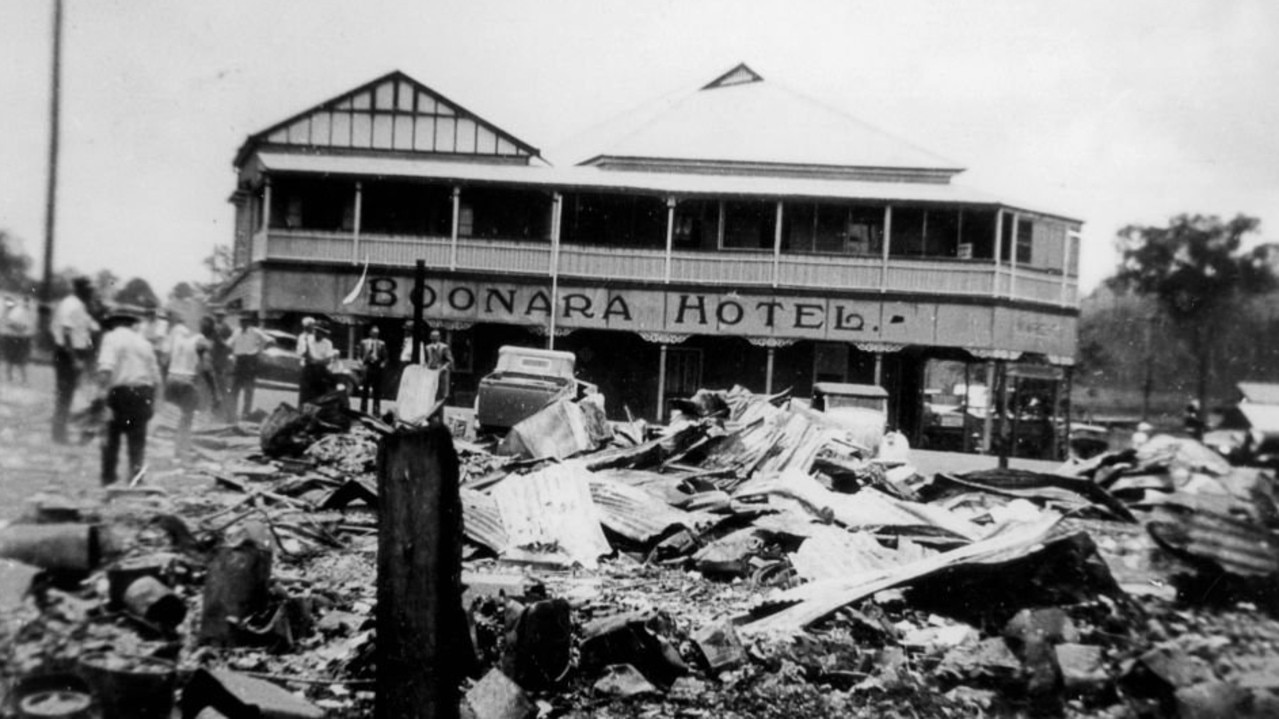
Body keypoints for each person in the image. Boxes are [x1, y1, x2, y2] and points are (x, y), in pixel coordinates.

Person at [95, 305, 161, 485]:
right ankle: (136, 480)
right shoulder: (144, 342)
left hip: (120, 393)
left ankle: (108, 479)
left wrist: (101, 397)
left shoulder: (111, 338)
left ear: (114, 323)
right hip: (143, 392)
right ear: (131, 324)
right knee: (137, 440)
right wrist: (154, 402)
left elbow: (105, 369)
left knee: (110, 438)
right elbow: (156, 377)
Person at [51, 277, 99, 443]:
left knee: (68, 394)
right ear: (80, 289)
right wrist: (75, 359)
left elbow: (92, 327)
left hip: (75, 352)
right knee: (64, 395)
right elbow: (66, 334)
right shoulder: (71, 304)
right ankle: (58, 434)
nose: (91, 293)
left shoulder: (79, 305)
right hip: (68, 353)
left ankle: (60, 430)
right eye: (89, 290)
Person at [164, 318, 209, 461]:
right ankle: (180, 451)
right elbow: (206, 367)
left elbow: (165, 359)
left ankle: (179, 448)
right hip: (187, 380)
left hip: (172, 378)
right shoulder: (200, 339)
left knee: (176, 416)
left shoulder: (176, 335)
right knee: (186, 417)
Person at [228, 312, 271, 418]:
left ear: (249, 322)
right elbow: (229, 343)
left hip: (250, 361)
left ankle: (245, 412)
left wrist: (259, 351)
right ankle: (231, 412)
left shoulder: (255, 331)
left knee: (248, 389)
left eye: (245, 321)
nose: (242, 323)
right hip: (239, 361)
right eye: (241, 321)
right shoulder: (236, 331)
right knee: (235, 389)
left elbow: (270, 340)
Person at [298, 321, 335, 406]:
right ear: (315, 331)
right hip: (308, 370)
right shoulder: (306, 339)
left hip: (320, 371)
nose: (320, 334)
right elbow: (304, 355)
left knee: (319, 398)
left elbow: (328, 360)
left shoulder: (328, 343)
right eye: (318, 331)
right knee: (305, 399)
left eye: (323, 333)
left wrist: (315, 361)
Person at [209, 309, 235, 421]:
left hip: (221, 359)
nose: (219, 317)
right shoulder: (212, 327)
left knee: (221, 385)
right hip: (211, 357)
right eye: (217, 315)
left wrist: (226, 346)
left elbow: (230, 341)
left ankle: (222, 411)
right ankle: (211, 409)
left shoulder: (226, 328)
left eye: (221, 316)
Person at [3, 297, 34, 384]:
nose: (27, 304)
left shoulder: (27, 312)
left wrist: (23, 329)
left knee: (20, 360)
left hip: (21, 338)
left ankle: (22, 379)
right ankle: (10, 378)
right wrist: (19, 328)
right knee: (11, 359)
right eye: (26, 302)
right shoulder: (18, 310)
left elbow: (28, 325)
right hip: (13, 338)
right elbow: (9, 323)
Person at [358, 324, 388, 415]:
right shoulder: (364, 342)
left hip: (377, 366)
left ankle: (376, 409)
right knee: (365, 388)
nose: (375, 335)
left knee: (377, 389)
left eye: (377, 334)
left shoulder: (382, 343)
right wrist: (360, 363)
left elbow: (385, 358)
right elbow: (359, 355)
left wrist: (383, 364)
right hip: (367, 366)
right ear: (370, 333)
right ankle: (363, 409)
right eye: (374, 333)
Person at [425, 328, 454, 401]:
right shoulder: (427, 347)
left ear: (439, 337)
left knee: (440, 391)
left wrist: (444, 367)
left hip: (440, 371)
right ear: (430, 337)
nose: (434, 338)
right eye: (432, 336)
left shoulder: (444, 347)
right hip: (430, 371)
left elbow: (450, 360)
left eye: (436, 336)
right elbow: (425, 359)